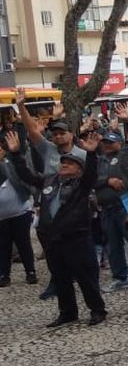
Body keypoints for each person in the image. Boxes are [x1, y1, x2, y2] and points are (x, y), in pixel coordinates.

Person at [7, 128, 107, 327]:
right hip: (53, 238)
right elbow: (26, 176)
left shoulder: (81, 185)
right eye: (63, 163)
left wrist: (91, 154)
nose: (64, 165)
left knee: (85, 276)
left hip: (76, 237)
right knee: (60, 277)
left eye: (70, 163)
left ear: (79, 169)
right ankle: (68, 312)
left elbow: (91, 174)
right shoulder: (50, 181)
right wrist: (16, 154)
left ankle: (97, 310)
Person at [94, 129, 128, 292]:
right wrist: (107, 181)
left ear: (119, 143)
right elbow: (91, 180)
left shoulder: (124, 158)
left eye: (111, 143)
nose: (107, 145)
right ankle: (120, 277)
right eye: (105, 143)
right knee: (113, 246)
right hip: (106, 208)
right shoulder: (99, 161)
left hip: (124, 206)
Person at [0, 131, 37, 287]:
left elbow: (19, 175)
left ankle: (30, 272)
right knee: (3, 246)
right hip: (1, 217)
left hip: (20, 211)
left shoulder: (10, 163)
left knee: (24, 243)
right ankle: (4, 274)